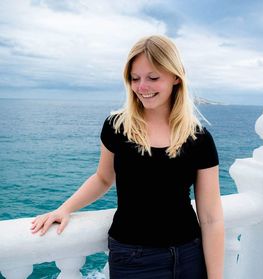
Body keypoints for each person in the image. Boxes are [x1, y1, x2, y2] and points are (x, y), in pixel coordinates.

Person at [31, 35, 224, 279]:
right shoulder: (116, 127)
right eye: (135, 78)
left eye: (153, 78)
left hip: (188, 256)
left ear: (176, 77)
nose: (142, 87)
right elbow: (103, 178)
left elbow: (211, 217)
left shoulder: (199, 138)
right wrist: (65, 208)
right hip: (132, 258)